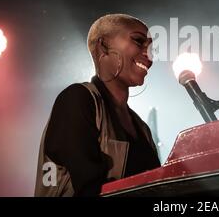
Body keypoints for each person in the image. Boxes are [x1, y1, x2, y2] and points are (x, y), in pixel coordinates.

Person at [34, 13, 161, 196]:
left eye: (151, 49)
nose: (149, 56)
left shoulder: (142, 127)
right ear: (103, 46)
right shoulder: (78, 99)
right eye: (139, 41)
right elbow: (89, 188)